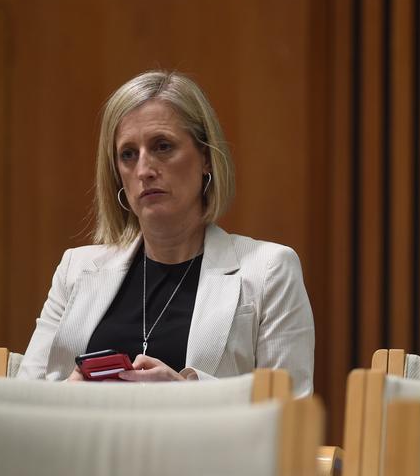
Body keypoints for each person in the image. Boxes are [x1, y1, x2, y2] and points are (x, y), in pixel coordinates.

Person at [16, 70, 315, 396]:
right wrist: (67, 398)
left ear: (205, 158)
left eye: (163, 146)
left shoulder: (269, 270)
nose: (144, 170)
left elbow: (290, 413)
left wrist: (184, 395)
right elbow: (23, 400)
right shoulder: (76, 270)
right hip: (86, 446)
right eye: (128, 154)